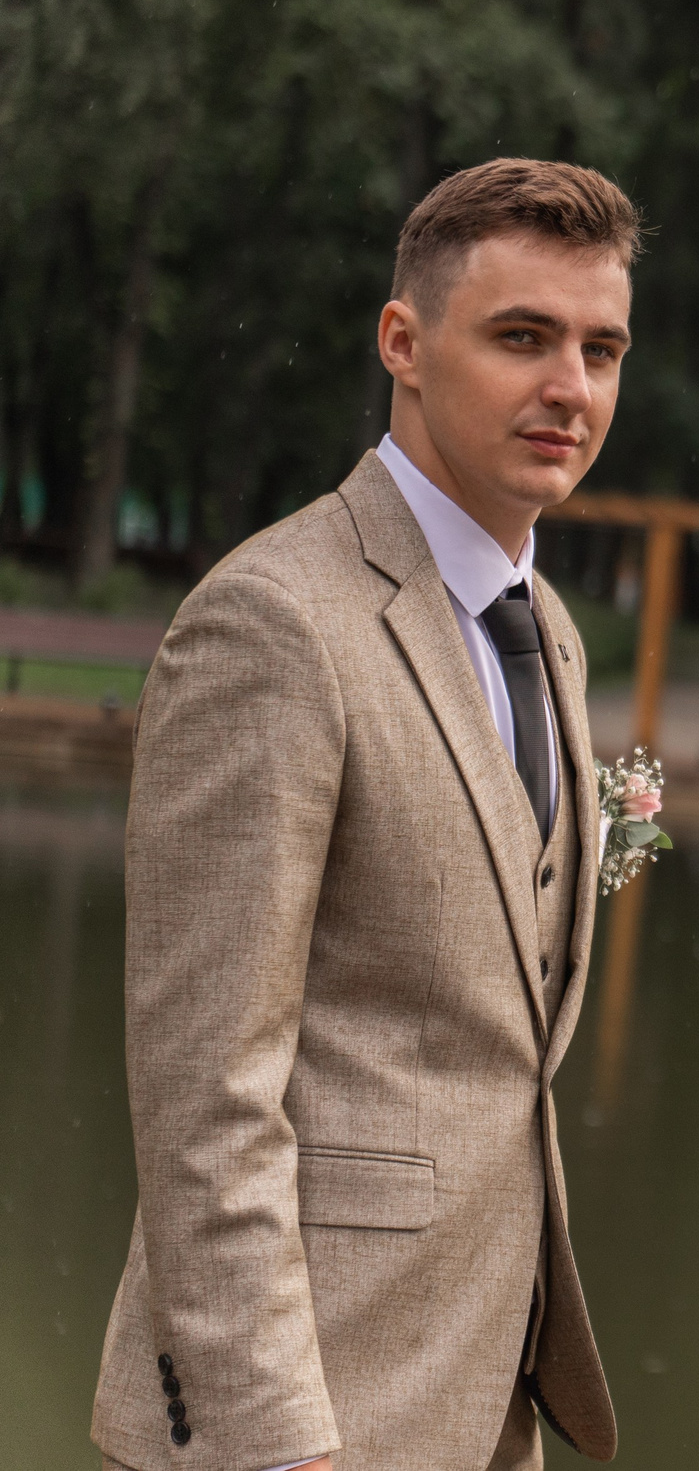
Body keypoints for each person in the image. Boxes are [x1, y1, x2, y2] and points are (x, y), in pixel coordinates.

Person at [91, 159, 639, 1471]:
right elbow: (204, 1093)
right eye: (523, 337)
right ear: (403, 341)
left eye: (601, 348)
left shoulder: (548, 632)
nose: (570, 386)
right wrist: (278, 1442)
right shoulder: (275, 624)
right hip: (299, 1417)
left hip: (476, 1399)